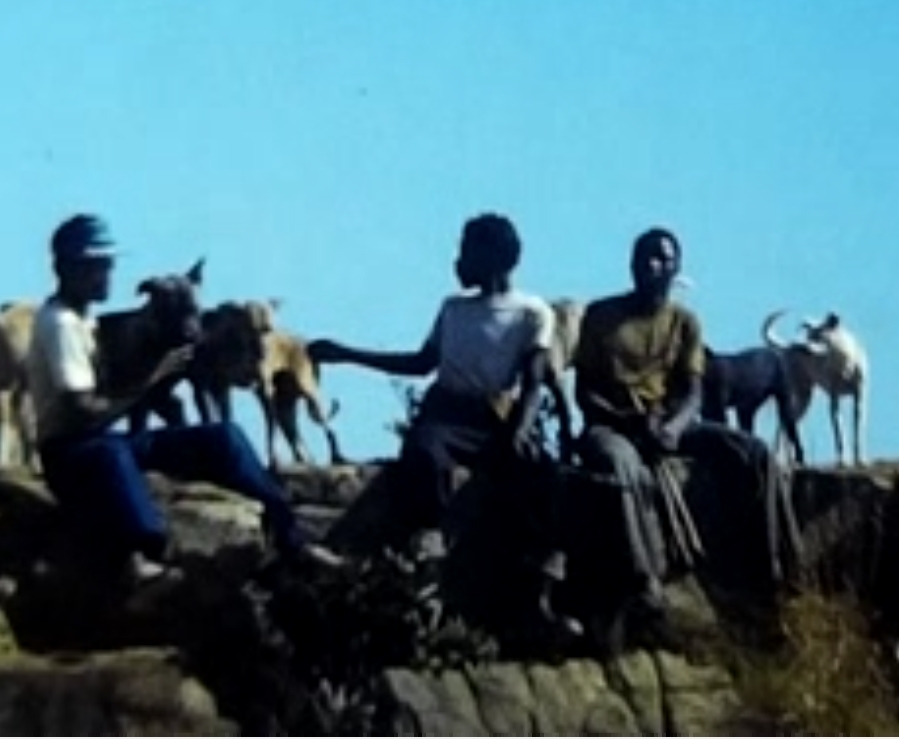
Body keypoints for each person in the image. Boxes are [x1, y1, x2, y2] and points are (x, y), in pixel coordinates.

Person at [27, 213, 343, 586]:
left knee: (220, 435)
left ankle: (292, 537)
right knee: (110, 454)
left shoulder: (88, 321)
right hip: (71, 452)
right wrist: (150, 380)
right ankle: (141, 557)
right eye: (98, 266)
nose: (107, 275)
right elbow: (83, 415)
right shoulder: (59, 324)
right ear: (69, 268)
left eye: (108, 265)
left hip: (100, 438)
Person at [309, 212, 580, 635]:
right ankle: (430, 565)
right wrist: (347, 354)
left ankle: (540, 596)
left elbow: (532, 381)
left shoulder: (532, 313)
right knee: (425, 455)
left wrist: (522, 429)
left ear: (492, 258)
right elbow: (421, 364)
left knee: (544, 479)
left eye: (466, 251)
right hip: (447, 412)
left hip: (496, 416)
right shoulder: (453, 309)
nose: (458, 261)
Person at [573, 227, 799, 625]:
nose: (651, 264)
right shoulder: (600, 317)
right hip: (611, 425)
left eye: (661, 258)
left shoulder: (685, 322)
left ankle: (779, 571)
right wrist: (623, 418)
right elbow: (584, 391)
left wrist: (673, 427)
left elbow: (694, 390)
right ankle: (646, 583)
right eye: (644, 256)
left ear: (676, 268)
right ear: (631, 264)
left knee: (755, 453)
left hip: (668, 422)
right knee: (622, 467)